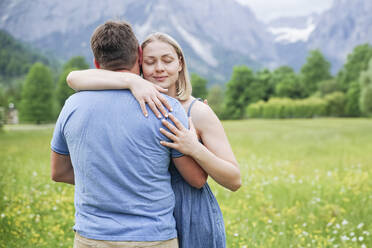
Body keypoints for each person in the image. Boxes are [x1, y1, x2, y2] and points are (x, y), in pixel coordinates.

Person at [67, 32, 241, 248]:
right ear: (139, 64)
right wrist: (130, 80)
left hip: (188, 211)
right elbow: (74, 78)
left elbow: (234, 180)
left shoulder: (197, 112)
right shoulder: (135, 104)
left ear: (180, 63)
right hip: (147, 217)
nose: (159, 68)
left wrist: (195, 148)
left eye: (167, 60)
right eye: (150, 62)